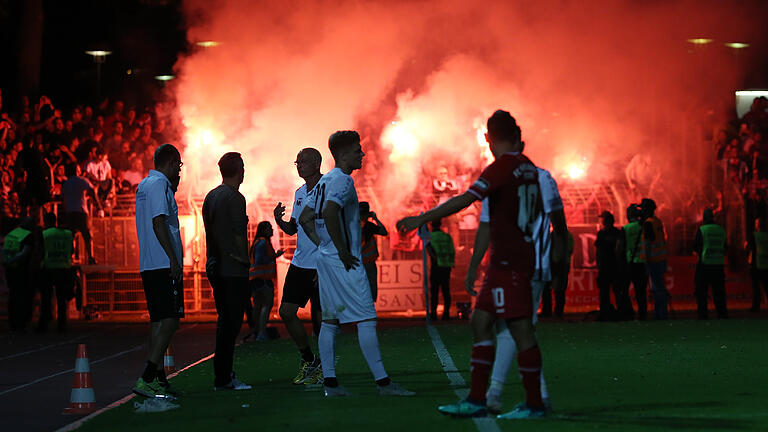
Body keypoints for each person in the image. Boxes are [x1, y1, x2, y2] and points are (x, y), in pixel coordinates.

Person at [398, 110, 560, 418]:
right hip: (513, 259)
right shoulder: (530, 168)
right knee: (481, 321)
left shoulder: (501, 169)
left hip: (510, 262)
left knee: (520, 330)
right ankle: (478, 399)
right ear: (518, 137)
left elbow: (464, 200)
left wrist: (421, 218)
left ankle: (533, 403)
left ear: (488, 138)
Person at [299, 130, 413, 397]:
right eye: (357, 150)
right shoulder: (343, 181)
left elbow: (305, 218)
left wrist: (324, 246)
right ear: (343, 154)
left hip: (325, 261)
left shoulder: (324, 181)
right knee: (366, 319)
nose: (361, 153)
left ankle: (330, 385)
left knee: (329, 322)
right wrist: (341, 250)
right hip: (344, 262)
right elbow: (329, 212)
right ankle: (383, 384)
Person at [470, 162, 568, 415]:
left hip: (527, 265)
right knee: (516, 329)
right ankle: (536, 398)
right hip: (513, 265)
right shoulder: (520, 176)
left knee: (511, 328)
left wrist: (559, 265)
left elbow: (559, 222)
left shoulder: (536, 177)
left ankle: (495, 394)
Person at [132, 143, 184, 400]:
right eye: (179, 166)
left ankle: (159, 378)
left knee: (158, 321)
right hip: (163, 264)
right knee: (171, 319)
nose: (180, 172)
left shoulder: (144, 185)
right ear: (172, 163)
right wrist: (173, 259)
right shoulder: (159, 185)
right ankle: (148, 376)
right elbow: (158, 221)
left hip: (149, 263)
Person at [202, 152, 253, 391]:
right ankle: (223, 377)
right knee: (231, 324)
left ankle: (222, 374)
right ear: (239, 170)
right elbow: (238, 233)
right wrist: (244, 258)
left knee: (225, 322)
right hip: (233, 269)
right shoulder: (235, 198)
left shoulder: (211, 196)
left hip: (215, 265)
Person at [273, 147, 324, 386]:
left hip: (322, 262)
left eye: (303, 161)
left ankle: (326, 368)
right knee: (286, 311)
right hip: (300, 261)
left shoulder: (328, 188)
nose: (299, 165)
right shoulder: (299, 193)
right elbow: (294, 229)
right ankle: (310, 360)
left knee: (322, 318)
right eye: (297, 162)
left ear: (316, 162)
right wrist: (279, 221)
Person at [36, 212, 74, 333]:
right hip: (63, 268)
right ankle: (62, 325)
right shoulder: (67, 234)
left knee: (46, 298)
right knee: (61, 299)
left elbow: (40, 251)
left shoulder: (44, 234)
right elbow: (71, 250)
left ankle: (44, 324)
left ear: (46, 221)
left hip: (48, 268)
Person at [247, 221, 284, 341]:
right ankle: (262, 332)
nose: (272, 230)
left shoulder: (257, 242)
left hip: (255, 279)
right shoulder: (263, 243)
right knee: (266, 305)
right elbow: (260, 260)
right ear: (263, 230)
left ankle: (256, 331)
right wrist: (275, 256)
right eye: (269, 228)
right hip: (263, 279)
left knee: (257, 306)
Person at [595, 211, 633, 321]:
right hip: (617, 266)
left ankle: (605, 313)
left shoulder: (602, 234)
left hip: (606, 266)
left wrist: (599, 265)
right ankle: (621, 313)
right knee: (618, 291)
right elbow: (621, 249)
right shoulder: (618, 232)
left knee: (604, 293)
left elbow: (598, 251)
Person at [61, 164, 101, 264]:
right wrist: (98, 206)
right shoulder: (82, 180)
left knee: (71, 235)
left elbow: (64, 198)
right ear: (76, 170)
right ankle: (91, 258)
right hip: (81, 211)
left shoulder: (66, 183)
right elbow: (92, 191)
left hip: (70, 212)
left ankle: (71, 258)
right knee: (87, 235)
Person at [2, 218, 37, 332]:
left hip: (9, 269)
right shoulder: (27, 235)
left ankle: (13, 322)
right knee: (22, 297)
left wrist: (7, 261)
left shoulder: (11, 234)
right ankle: (20, 323)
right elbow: (25, 252)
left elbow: (4, 250)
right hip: (21, 269)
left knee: (13, 296)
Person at [693, 209, 728, 319]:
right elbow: (725, 247)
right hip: (718, 264)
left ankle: (702, 314)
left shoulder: (702, 230)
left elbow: (695, 247)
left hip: (705, 264)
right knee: (719, 291)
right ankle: (722, 313)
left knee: (701, 291)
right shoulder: (721, 230)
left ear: (704, 218)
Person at [640, 198, 669, 320]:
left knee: (657, 289)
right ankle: (662, 313)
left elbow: (647, 243)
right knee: (660, 288)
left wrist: (646, 259)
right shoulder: (657, 221)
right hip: (661, 259)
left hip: (653, 260)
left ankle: (660, 314)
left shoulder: (648, 224)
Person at [623, 204, 648, 320]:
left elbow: (620, 247)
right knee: (641, 291)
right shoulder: (644, 226)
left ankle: (629, 313)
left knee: (624, 290)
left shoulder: (626, 228)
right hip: (643, 261)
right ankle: (643, 315)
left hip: (630, 262)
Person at [426, 218, 455, 320]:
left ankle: (433, 314)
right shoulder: (447, 237)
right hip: (446, 266)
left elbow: (429, 250)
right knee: (446, 291)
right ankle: (446, 314)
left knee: (434, 291)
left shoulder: (430, 237)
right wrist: (451, 264)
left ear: (431, 226)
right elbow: (452, 251)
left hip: (436, 266)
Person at [359, 201, 387, 302]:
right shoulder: (369, 226)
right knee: (371, 287)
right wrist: (375, 219)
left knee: (360, 288)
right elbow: (384, 231)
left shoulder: (352, 225)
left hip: (358, 262)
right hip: (368, 262)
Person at [749, 218, 768, 312]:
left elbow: (751, 248)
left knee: (756, 287)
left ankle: (756, 306)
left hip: (757, 263)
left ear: (757, 225)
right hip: (766, 263)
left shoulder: (754, 235)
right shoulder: (766, 235)